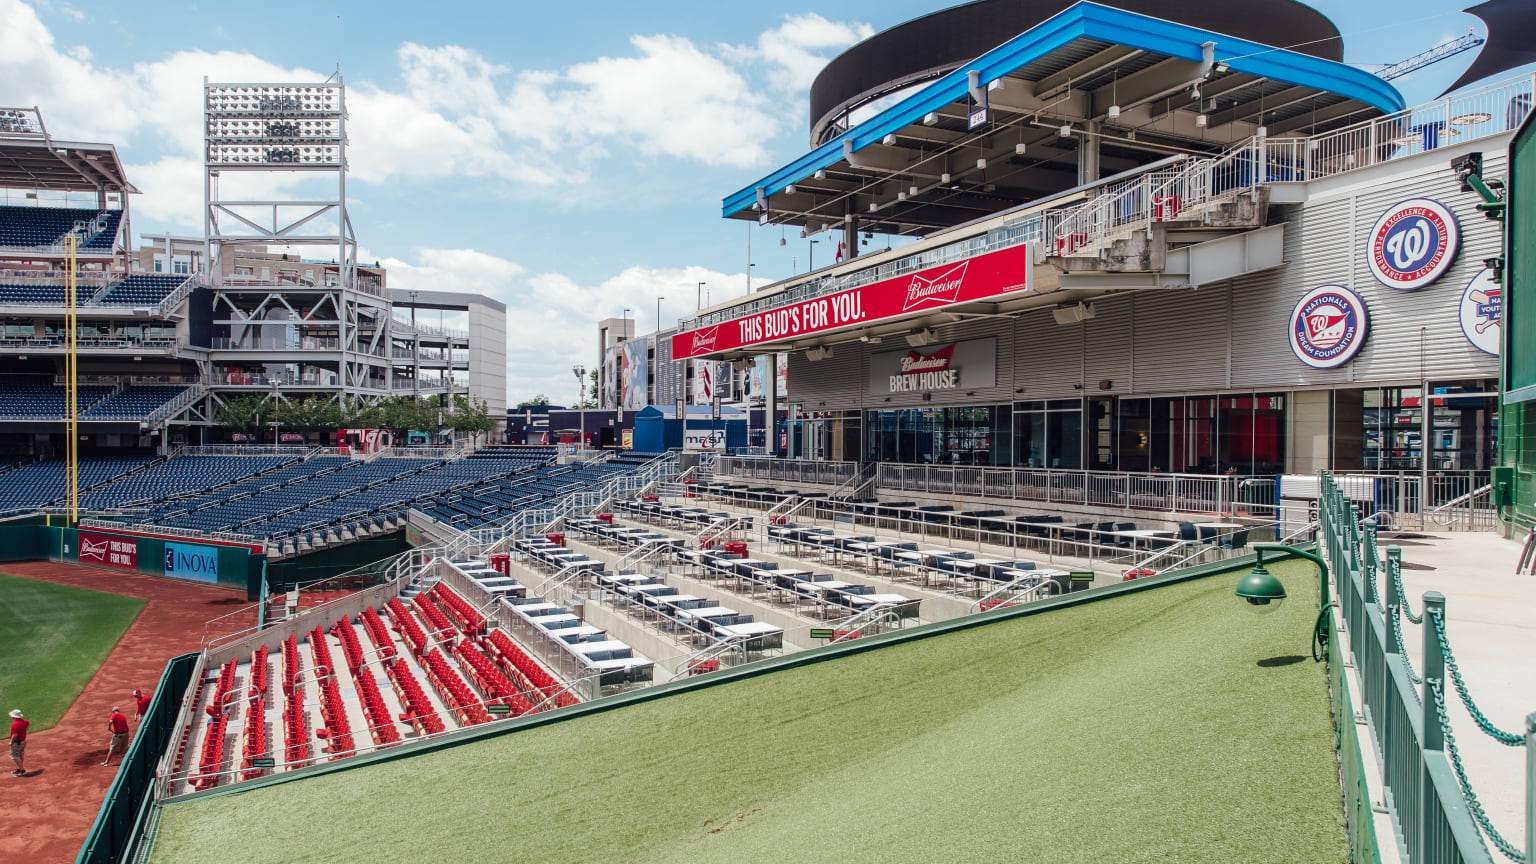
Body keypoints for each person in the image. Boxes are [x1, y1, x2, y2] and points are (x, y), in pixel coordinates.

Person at [8, 709, 27, 777]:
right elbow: (28, 724)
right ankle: (19, 768)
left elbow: (14, 735)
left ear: (14, 717)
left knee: (14, 756)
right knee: (20, 755)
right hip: (23, 741)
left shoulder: (15, 724)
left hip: (16, 743)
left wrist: (10, 742)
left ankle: (22, 771)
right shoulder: (23, 721)